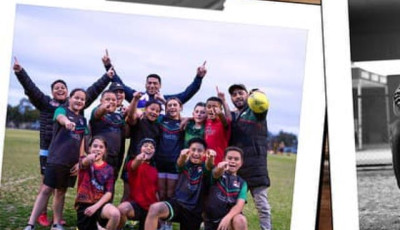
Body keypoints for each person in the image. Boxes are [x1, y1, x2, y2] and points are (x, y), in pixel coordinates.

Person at [13, 58, 113, 226]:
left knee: (60, 191)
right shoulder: (53, 106)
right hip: (51, 153)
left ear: (67, 92)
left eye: (63, 87)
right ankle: (36, 219)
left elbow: (92, 92)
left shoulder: (81, 117)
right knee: (46, 187)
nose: (60, 89)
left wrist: (107, 76)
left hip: (71, 160)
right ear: (55, 93)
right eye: (56, 88)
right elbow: (34, 92)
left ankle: (56, 221)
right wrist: (20, 72)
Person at [23, 89, 89, 230]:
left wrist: (80, 162)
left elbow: (82, 141)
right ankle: (30, 224)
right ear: (70, 99)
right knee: (46, 190)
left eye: (82, 99)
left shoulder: (83, 120)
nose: (79, 101)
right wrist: (66, 123)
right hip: (56, 159)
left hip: (71, 164)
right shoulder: (61, 110)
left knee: (61, 192)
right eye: (76, 97)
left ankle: (56, 223)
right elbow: (60, 118)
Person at [145, 137, 216, 230]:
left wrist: (211, 157)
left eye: (200, 151)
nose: (196, 153)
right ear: (188, 151)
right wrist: (182, 156)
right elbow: (180, 163)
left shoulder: (205, 168)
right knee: (155, 209)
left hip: (194, 212)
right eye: (193, 150)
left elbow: (210, 166)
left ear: (204, 153)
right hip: (178, 204)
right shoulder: (185, 164)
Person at [228, 84, 271, 230]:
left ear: (247, 95)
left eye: (241, 93)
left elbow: (261, 101)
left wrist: (257, 93)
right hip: (238, 170)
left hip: (256, 169)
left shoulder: (256, 111)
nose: (238, 96)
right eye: (234, 94)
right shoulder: (234, 115)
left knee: (262, 207)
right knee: (233, 206)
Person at [101, 50, 207, 107]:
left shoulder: (168, 101)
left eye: (155, 83)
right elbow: (119, 83)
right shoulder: (138, 97)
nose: (152, 85)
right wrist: (108, 65)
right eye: (149, 83)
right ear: (145, 84)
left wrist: (199, 77)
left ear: (160, 85)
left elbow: (187, 93)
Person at [120, 92, 162, 202]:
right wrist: (135, 99)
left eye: (157, 111)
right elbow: (130, 116)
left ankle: (142, 218)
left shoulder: (158, 127)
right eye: (152, 109)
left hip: (148, 166)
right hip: (133, 161)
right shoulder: (139, 121)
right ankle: (122, 218)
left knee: (146, 196)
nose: (154, 112)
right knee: (127, 195)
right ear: (145, 109)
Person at [75, 136, 120, 230]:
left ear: (105, 150)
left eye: (101, 147)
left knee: (115, 214)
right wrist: (89, 158)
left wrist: (95, 207)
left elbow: (108, 193)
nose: (97, 149)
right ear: (89, 148)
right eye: (95, 146)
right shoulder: (84, 160)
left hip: (100, 205)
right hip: (84, 204)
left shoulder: (109, 169)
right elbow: (84, 163)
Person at [117, 138, 159, 230]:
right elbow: (134, 164)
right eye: (145, 146)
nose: (148, 148)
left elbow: (157, 192)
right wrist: (139, 158)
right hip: (136, 206)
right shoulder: (132, 164)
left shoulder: (155, 170)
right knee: (122, 209)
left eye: (151, 147)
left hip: (151, 209)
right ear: (139, 149)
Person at [204, 146, 248, 230]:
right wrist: (220, 168)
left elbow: (239, 205)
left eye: (236, 159)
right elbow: (216, 173)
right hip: (212, 221)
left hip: (228, 221)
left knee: (240, 220)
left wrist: (227, 218)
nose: (232, 161)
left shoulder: (243, 183)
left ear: (241, 162)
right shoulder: (217, 172)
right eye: (230, 158)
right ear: (224, 159)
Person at [204, 87, 232, 165]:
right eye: (209, 107)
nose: (211, 109)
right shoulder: (206, 121)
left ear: (220, 109)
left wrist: (223, 102)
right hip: (205, 162)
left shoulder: (223, 122)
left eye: (215, 107)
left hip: (219, 162)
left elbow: (227, 120)